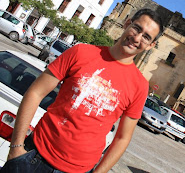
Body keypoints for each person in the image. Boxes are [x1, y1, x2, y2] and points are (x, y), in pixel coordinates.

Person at [2, 9, 164, 173]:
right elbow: (35, 93)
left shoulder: (140, 86)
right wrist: (16, 146)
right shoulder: (81, 52)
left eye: (146, 37)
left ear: (151, 45)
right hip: (34, 154)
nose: (137, 38)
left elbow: (123, 138)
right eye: (137, 28)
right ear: (127, 23)